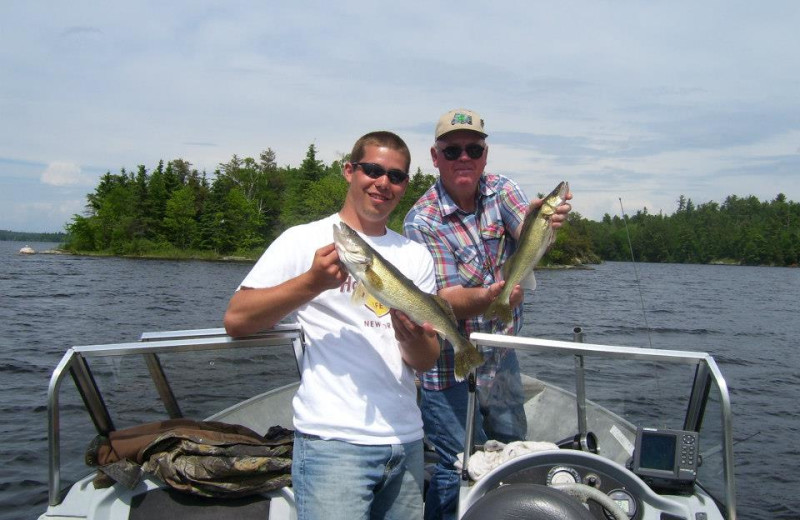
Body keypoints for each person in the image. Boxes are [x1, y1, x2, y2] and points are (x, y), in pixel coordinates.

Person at [224, 131, 441, 520]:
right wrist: (312, 282)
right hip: (332, 444)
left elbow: (425, 360)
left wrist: (413, 338)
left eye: (396, 176)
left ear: (405, 185)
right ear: (349, 171)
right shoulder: (302, 240)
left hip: (407, 441)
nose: (383, 183)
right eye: (372, 170)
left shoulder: (416, 255)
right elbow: (237, 320)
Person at [403, 108, 572, 520]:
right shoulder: (421, 220)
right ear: (435, 155)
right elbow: (446, 299)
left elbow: (525, 231)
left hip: (501, 354)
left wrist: (543, 222)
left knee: (513, 452)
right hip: (446, 366)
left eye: (473, 149)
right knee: (459, 465)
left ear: (485, 154)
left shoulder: (503, 190)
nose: (464, 157)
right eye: (453, 149)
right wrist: (495, 296)